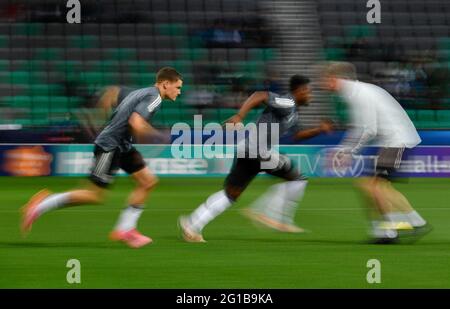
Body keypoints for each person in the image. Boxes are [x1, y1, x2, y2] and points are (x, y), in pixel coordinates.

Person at [21, 67, 183, 248]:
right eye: (177, 87)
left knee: (148, 181)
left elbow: (114, 93)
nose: (179, 91)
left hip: (123, 145)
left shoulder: (140, 92)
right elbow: (136, 123)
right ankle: (43, 204)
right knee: (94, 195)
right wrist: (158, 136)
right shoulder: (154, 98)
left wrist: (103, 113)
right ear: (165, 84)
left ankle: (126, 230)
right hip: (110, 146)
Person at [179, 75, 333, 242]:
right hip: (258, 152)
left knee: (231, 194)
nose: (310, 95)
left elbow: (297, 135)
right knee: (297, 178)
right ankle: (272, 215)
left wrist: (319, 130)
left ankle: (192, 224)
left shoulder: (293, 113)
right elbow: (261, 95)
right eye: (308, 91)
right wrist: (239, 116)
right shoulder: (288, 102)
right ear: (300, 90)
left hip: (250, 152)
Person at [322, 62, 430, 244]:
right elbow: (359, 129)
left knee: (370, 185)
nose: (324, 84)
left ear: (335, 79)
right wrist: (342, 150)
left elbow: (368, 129)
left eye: (326, 79)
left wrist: (347, 152)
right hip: (395, 140)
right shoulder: (356, 92)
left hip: (397, 140)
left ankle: (393, 229)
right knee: (376, 186)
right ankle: (411, 224)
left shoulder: (358, 94)